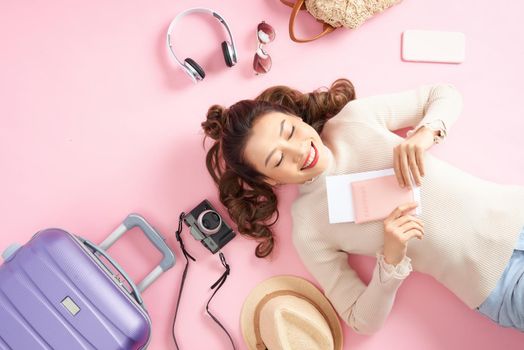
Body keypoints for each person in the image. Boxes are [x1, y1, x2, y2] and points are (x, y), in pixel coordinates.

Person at [201, 79, 524, 334]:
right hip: (499, 284)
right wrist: (392, 259)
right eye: (278, 159)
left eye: (289, 131)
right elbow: (360, 319)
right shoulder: (309, 227)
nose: (298, 150)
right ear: (271, 181)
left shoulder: (353, 120)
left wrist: (424, 134)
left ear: (294, 116)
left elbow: (444, 94)